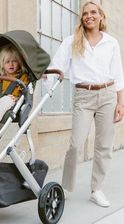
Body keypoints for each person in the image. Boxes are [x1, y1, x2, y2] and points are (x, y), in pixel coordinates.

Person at [51, 1, 124, 207]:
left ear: (101, 16)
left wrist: (121, 103)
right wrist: (44, 79)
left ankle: (96, 189)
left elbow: (118, 74)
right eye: (85, 13)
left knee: (104, 146)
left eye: (93, 12)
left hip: (108, 95)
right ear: (81, 18)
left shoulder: (111, 42)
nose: (89, 16)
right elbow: (57, 66)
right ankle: (66, 188)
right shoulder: (71, 41)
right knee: (75, 144)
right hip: (83, 96)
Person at [0, 44, 29, 128]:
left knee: (6, 99)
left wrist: (17, 98)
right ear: (2, 64)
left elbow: (25, 92)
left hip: (13, 102)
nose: (11, 64)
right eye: (7, 62)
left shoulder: (23, 77)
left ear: (19, 62)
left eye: (14, 61)